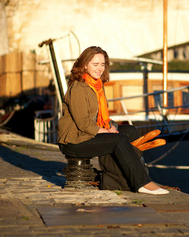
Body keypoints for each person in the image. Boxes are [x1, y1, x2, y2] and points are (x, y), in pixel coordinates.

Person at [57, 46, 168, 195]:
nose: (100, 69)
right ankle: (142, 183)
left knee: (130, 130)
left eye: (102, 64)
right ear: (84, 65)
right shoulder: (78, 88)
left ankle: (128, 177)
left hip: (88, 134)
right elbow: (83, 123)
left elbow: (102, 118)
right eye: (95, 64)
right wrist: (107, 132)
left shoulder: (97, 86)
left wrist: (111, 126)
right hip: (74, 141)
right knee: (118, 140)